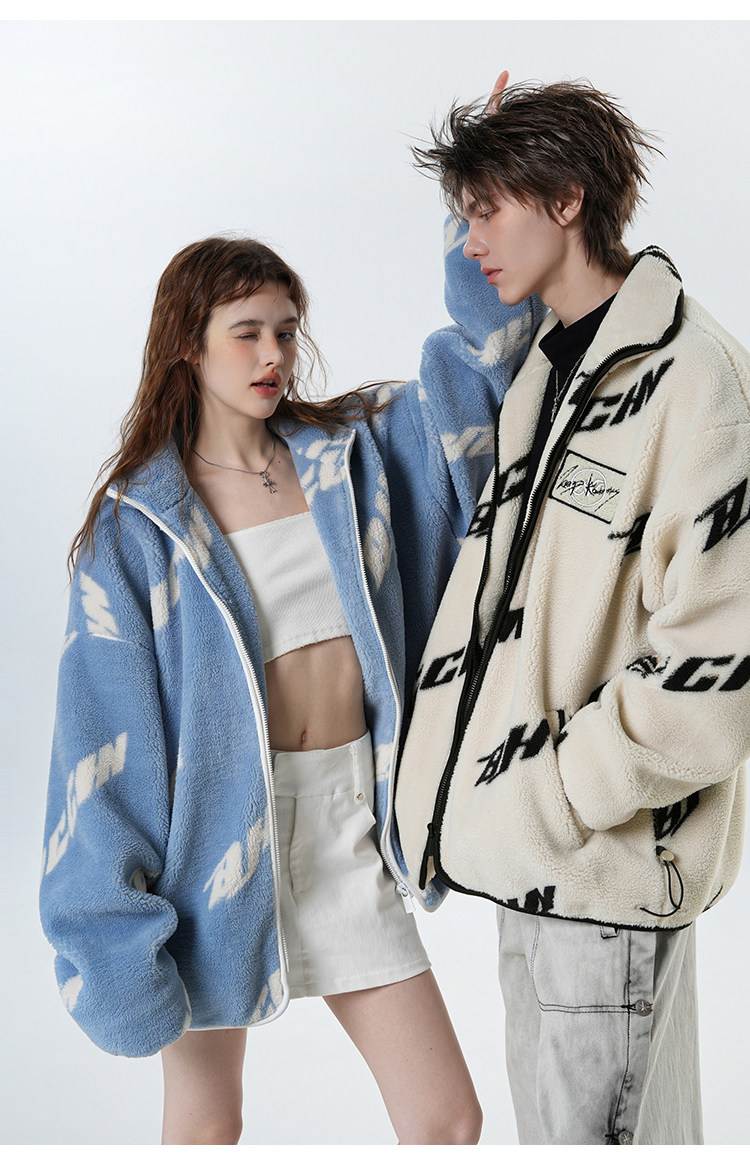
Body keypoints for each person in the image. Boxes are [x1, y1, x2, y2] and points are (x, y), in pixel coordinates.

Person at [39, 226, 541, 1144]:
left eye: (285, 329)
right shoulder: (140, 523)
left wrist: (475, 218)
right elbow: (99, 741)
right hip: (218, 850)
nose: (273, 354)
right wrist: (112, 927)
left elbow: (480, 376)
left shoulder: (353, 455)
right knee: (206, 1125)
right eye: (247, 333)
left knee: (446, 1120)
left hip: (349, 825)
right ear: (187, 344)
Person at [394, 78, 750, 1145]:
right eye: (462, 214)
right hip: (541, 872)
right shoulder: (549, 372)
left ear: (566, 200)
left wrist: (552, 795)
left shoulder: (695, 381)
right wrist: (522, 818)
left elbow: (717, 664)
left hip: (598, 872)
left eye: (487, 210)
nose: (470, 241)